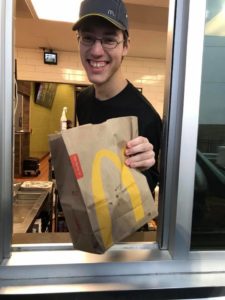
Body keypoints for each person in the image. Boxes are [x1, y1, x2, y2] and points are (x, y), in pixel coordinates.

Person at [72, 0, 162, 193]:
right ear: (78, 41)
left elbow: (147, 192)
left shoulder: (147, 118)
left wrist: (145, 167)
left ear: (126, 46)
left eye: (109, 39)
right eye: (88, 38)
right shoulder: (82, 100)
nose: (96, 51)